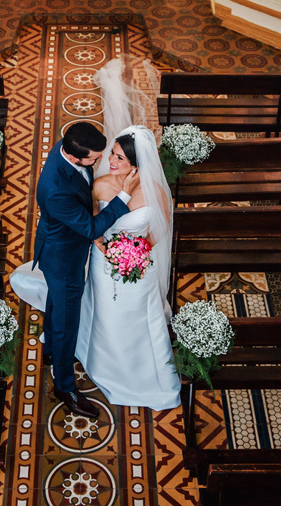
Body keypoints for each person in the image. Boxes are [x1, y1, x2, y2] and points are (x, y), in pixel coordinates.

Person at [30, 121, 139, 419]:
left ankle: (50, 348)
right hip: (63, 257)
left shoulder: (68, 145)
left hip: (64, 247)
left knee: (57, 301)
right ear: (74, 157)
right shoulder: (54, 189)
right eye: (95, 158)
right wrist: (123, 196)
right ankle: (64, 386)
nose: (102, 161)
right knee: (68, 320)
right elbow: (90, 228)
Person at [75, 125, 181, 410]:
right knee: (106, 311)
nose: (110, 160)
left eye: (119, 157)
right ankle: (102, 360)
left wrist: (141, 249)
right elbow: (93, 222)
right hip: (104, 260)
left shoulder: (155, 191)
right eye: (112, 153)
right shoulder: (100, 185)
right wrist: (101, 244)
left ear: (136, 164)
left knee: (137, 314)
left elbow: (162, 223)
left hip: (140, 263)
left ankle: (141, 367)